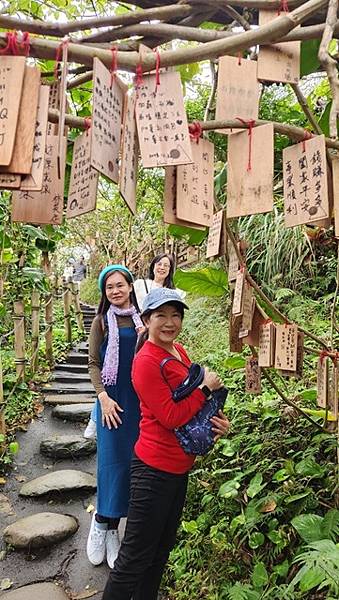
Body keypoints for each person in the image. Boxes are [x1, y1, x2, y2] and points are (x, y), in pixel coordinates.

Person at [102, 287, 230, 600]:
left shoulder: (178, 351)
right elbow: (171, 416)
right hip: (153, 469)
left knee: (159, 552)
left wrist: (217, 420)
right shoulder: (146, 361)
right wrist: (206, 390)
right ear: (146, 319)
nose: (170, 322)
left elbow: (192, 405)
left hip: (178, 466)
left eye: (176, 315)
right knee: (133, 559)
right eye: (161, 315)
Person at [86, 265, 143, 569]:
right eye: (109, 287)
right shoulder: (101, 322)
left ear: (131, 286)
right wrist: (103, 398)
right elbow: (93, 364)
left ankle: (112, 530)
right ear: (104, 293)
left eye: (120, 285)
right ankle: (99, 524)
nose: (115, 291)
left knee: (132, 465)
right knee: (110, 465)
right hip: (110, 402)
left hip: (137, 403)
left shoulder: (143, 321)